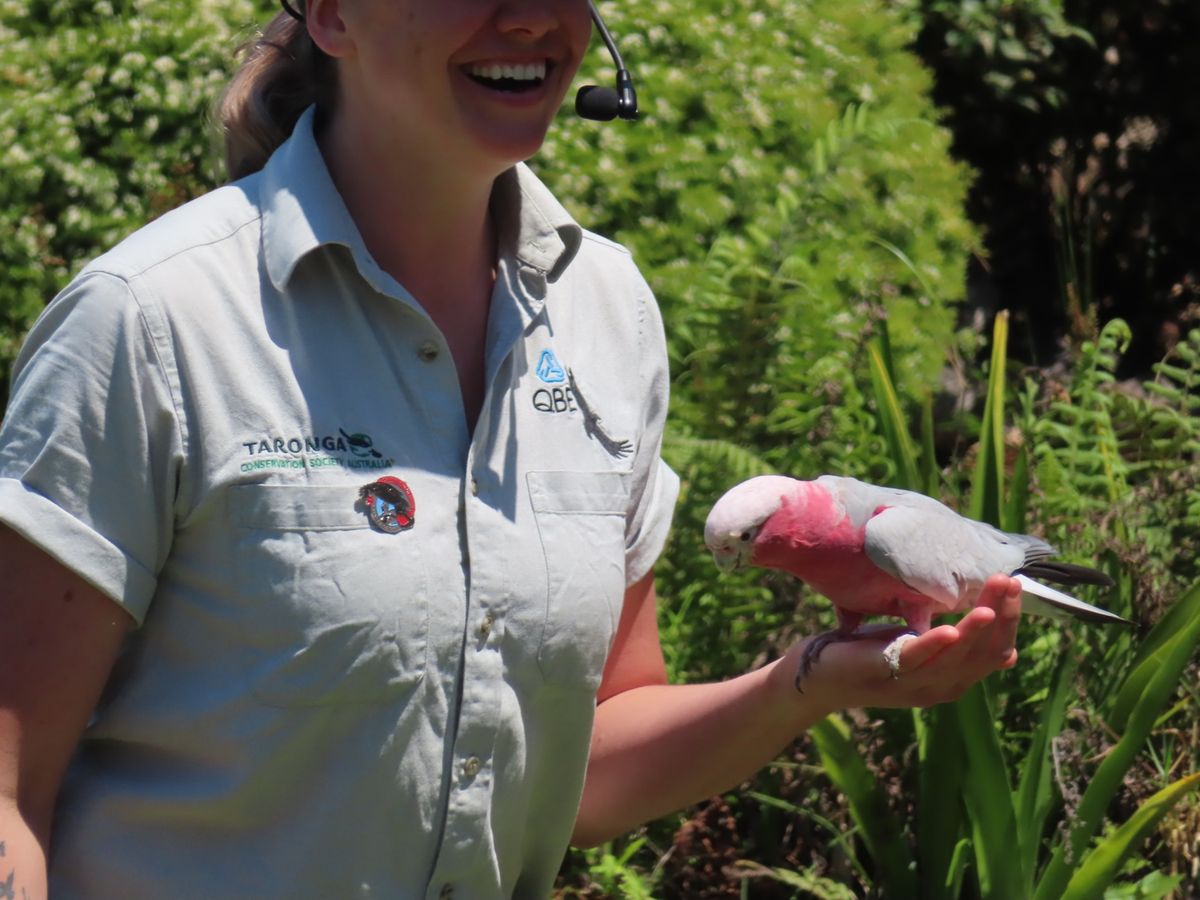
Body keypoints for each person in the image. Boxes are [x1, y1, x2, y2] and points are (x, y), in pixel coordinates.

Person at [0, 1, 1023, 897]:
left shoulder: (606, 313)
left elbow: (591, 756)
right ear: (332, 14)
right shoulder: (150, 324)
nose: (535, 16)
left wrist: (812, 680)